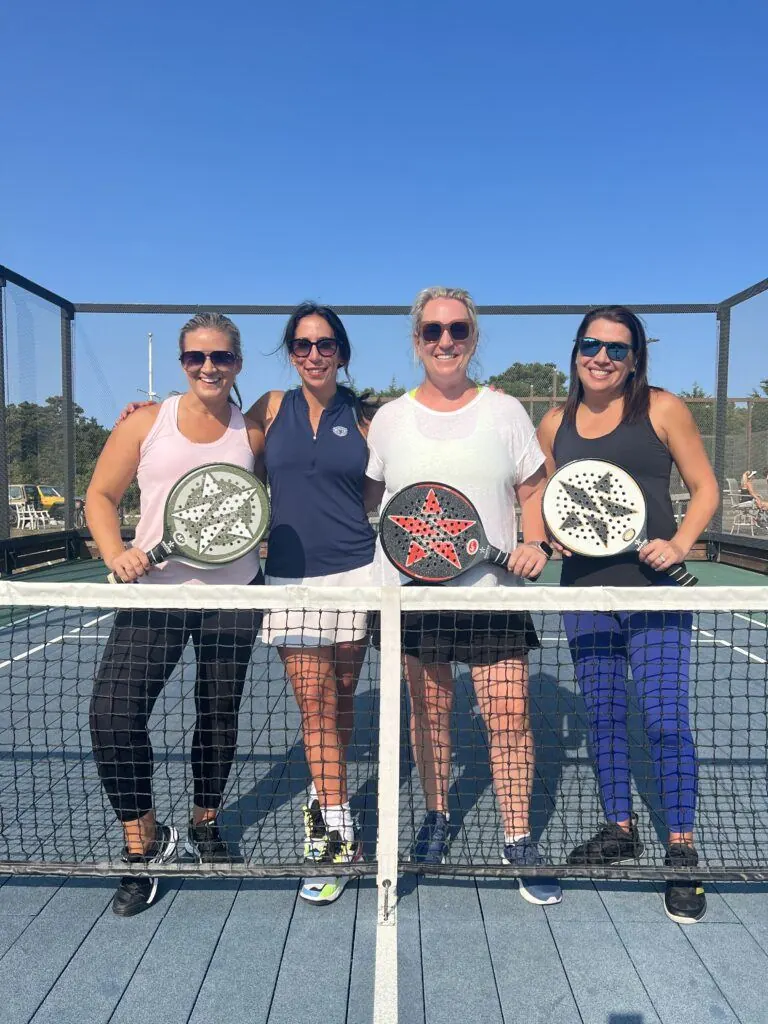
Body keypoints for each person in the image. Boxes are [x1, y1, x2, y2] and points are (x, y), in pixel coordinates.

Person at [364, 285, 562, 906]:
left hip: (493, 595)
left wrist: (536, 542)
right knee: (429, 716)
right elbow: (378, 504)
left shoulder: (505, 412)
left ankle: (518, 836)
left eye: (457, 330)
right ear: (416, 340)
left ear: (473, 338)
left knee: (510, 717)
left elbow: (535, 490)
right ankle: (438, 814)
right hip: (413, 599)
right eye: (432, 331)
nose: (445, 341)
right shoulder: (391, 418)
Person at [538, 306, 719, 925]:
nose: (603, 357)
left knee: (665, 716)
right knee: (604, 714)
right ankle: (620, 827)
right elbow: (551, 498)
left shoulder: (663, 408)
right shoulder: (554, 422)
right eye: (592, 344)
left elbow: (706, 488)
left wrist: (680, 543)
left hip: (655, 592)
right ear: (576, 350)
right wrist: (549, 536)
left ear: (635, 358)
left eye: (618, 349)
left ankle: (682, 849)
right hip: (585, 592)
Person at [87, 312, 265, 917]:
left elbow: (333, 415)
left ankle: (205, 823)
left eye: (221, 358)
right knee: (112, 717)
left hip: (235, 593)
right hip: (156, 595)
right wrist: (117, 551)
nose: (209, 368)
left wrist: (479, 391)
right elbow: (101, 496)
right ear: (183, 363)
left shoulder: (255, 427)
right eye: (196, 358)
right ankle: (145, 845)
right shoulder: (145, 422)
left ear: (238, 363)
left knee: (218, 713)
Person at [246, 302, 376, 906]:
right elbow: (216, 437)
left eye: (325, 345)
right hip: (291, 580)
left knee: (342, 696)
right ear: (290, 352)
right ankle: (334, 828)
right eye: (302, 345)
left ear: (342, 353)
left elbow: (379, 491)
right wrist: (153, 412)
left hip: (358, 573)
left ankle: (328, 790)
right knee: (315, 704)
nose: (314, 354)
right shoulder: (270, 409)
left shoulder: (369, 417)